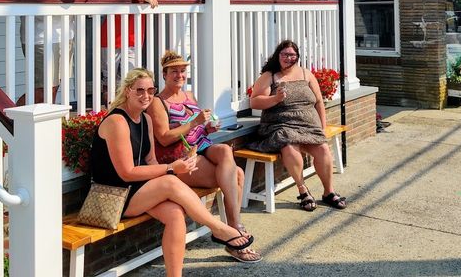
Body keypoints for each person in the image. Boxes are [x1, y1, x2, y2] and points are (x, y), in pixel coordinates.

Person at [90, 68, 255, 277]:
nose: (146, 95)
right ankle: (219, 228)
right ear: (127, 91)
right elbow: (126, 173)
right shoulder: (117, 121)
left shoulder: (145, 119)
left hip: (138, 189)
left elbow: (150, 160)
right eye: (139, 90)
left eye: (151, 90)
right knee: (171, 182)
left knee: (176, 214)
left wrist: (181, 162)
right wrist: (171, 168)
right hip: (113, 195)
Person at [147, 51, 261, 263]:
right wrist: (196, 122)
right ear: (164, 74)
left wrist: (208, 127)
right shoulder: (158, 102)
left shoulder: (189, 95)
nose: (179, 75)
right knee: (236, 173)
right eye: (174, 72)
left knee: (226, 151)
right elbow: (163, 138)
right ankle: (233, 233)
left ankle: (231, 229)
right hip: (180, 156)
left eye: (182, 71)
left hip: (202, 145)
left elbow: (199, 128)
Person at [249, 40, 347, 212]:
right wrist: (275, 99)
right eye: (285, 54)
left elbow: (318, 102)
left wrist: (322, 128)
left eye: (292, 55)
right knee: (289, 146)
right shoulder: (269, 76)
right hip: (280, 124)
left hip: (308, 125)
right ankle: (302, 189)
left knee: (323, 149)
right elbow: (254, 102)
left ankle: (328, 192)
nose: (288, 58)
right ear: (278, 56)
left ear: (297, 57)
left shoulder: (306, 74)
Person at [101, 0, 166, 86]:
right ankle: (109, 105)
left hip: (133, 38)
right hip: (111, 38)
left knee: (130, 76)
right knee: (109, 77)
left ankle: (126, 105)